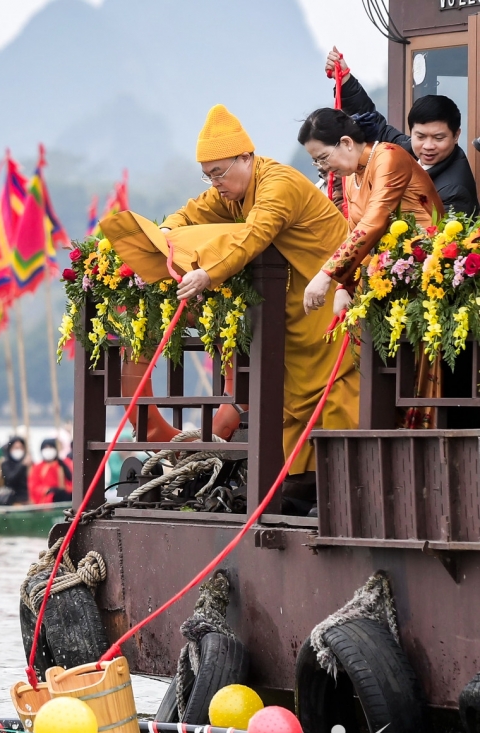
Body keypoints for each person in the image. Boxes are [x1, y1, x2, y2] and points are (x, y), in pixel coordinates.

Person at [153, 104, 359, 500]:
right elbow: (193, 212)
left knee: (334, 384)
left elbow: (253, 237)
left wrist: (208, 275)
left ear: (246, 157)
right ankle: (300, 475)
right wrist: (166, 230)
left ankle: (339, 479)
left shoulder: (275, 185)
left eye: (220, 172)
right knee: (290, 391)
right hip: (297, 302)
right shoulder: (232, 192)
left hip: (334, 291)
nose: (215, 183)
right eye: (208, 175)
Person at [299, 108, 445, 431]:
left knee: (412, 374)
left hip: (426, 277)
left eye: (323, 159)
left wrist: (326, 276)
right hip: (388, 279)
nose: (324, 169)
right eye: (318, 164)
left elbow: (374, 222)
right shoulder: (353, 179)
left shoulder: (388, 158)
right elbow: (355, 235)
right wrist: (343, 287)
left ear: (347, 143)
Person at [325, 48, 478, 216]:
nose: (428, 146)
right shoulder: (407, 150)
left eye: (438, 138)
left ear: (456, 135)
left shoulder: (455, 191)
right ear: (411, 132)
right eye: (420, 136)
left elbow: (437, 240)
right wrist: (345, 78)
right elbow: (375, 126)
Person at [29, 438, 73, 504]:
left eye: (51, 447)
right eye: (46, 448)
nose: (48, 450)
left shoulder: (66, 463)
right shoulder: (37, 467)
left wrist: (64, 490)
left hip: (66, 498)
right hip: (48, 501)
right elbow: (34, 487)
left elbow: (74, 482)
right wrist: (48, 490)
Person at [0, 436, 31, 506]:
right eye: (16, 448)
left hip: (28, 498)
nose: (18, 450)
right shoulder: (5, 464)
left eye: (21, 448)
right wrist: (22, 465)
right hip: (13, 498)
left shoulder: (29, 464)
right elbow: (10, 480)